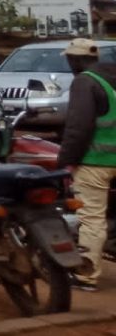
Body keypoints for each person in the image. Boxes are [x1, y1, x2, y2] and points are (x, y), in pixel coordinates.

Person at [56, 38, 116, 291]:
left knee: (91, 218)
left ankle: (86, 275)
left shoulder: (84, 82)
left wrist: (67, 161)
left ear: (75, 60)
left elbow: (78, 127)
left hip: (95, 162)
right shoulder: (111, 80)